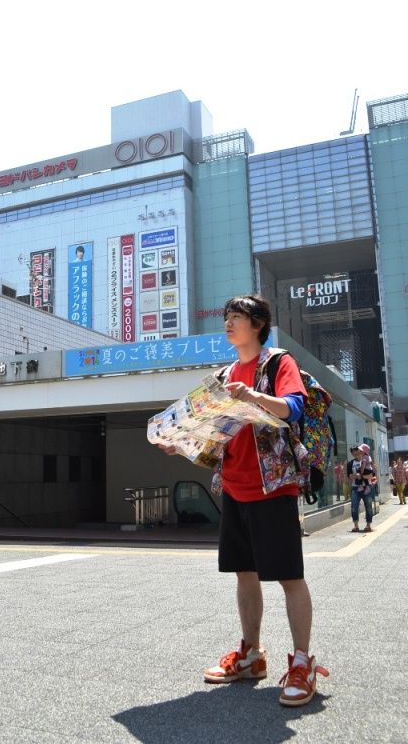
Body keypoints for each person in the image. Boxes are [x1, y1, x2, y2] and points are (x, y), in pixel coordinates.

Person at [157, 294, 328, 706]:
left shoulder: (276, 363)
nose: (228, 324)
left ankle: (302, 663)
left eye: (236, 317)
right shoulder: (224, 373)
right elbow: (213, 430)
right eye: (226, 317)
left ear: (258, 324)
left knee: (289, 576)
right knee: (244, 574)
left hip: (274, 487)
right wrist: (180, 441)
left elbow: (293, 408)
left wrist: (253, 396)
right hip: (234, 486)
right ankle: (252, 655)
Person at [350, 444, 374, 532]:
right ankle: (356, 526)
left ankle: (368, 525)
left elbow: (372, 475)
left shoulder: (366, 459)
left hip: (367, 487)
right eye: (353, 452)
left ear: (361, 452)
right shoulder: (351, 463)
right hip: (355, 488)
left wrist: (361, 476)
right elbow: (350, 476)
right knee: (354, 507)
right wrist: (356, 476)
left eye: (357, 451)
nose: (355, 453)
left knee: (368, 506)